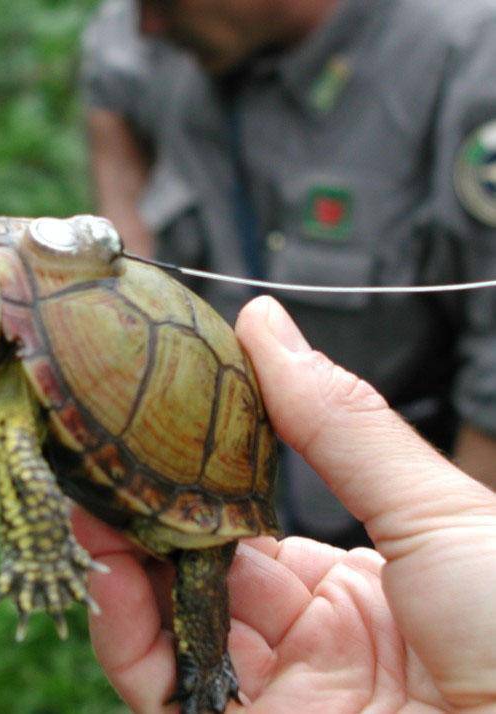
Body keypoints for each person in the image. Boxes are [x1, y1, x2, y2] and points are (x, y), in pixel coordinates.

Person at [80, 0, 496, 547]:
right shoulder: (159, 40)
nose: (147, 26)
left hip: (391, 521)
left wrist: (442, 554)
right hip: (213, 511)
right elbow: (109, 73)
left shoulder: (465, 61)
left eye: (162, 5)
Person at [73, 295, 496, 712]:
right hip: (211, 475)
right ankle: (206, 673)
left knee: (201, 566)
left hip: (219, 480)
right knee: (196, 567)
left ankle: (206, 674)